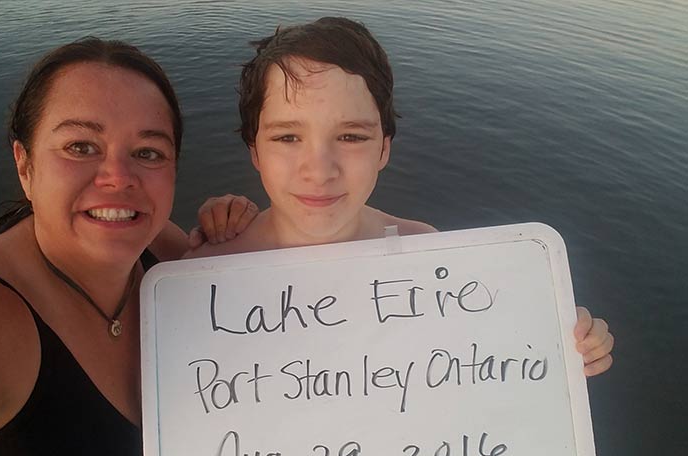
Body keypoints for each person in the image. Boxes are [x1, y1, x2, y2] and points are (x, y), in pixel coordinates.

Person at [0, 39, 255, 456]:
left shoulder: (158, 249)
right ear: (25, 164)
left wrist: (240, 233)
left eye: (148, 152)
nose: (118, 178)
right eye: (81, 147)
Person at [186, 16, 614, 376]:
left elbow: (479, 364)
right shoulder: (199, 276)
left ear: (384, 148)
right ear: (254, 150)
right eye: (287, 136)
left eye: (351, 136)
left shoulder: (427, 253)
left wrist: (559, 345)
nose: (318, 169)